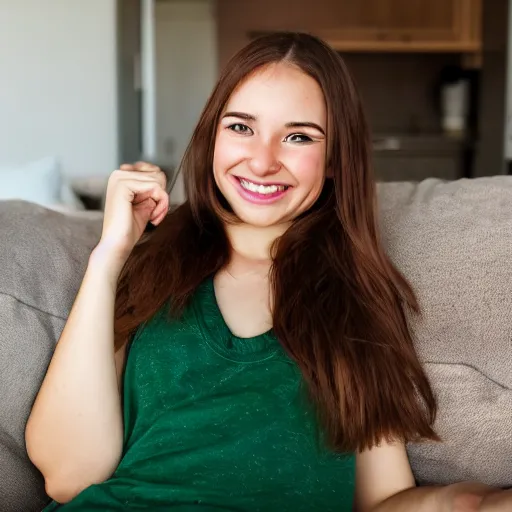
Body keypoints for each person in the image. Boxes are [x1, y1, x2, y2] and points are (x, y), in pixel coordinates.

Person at [26, 32, 510, 511]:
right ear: (212, 134)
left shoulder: (356, 301)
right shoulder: (148, 267)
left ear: (336, 158)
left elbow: (382, 499)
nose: (261, 161)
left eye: (298, 136)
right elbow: (68, 476)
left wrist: (469, 501)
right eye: (241, 127)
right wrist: (110, 253)